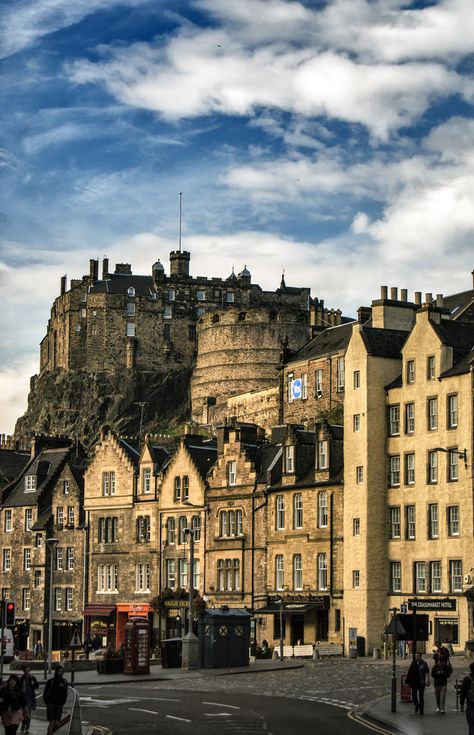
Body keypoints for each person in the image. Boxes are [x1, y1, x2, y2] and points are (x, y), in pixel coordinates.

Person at [43, 666, 68, 735]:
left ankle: (50, 733)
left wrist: (63, 702)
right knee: (52, 722)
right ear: (56, 672)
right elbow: (45, 693)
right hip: (51, 704)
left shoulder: (64, 681)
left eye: (62, 671)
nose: (61, 673)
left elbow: (65, 693)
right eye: (59, 671)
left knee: (57, 723)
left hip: (59, 704)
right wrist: (47, 702)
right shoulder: (51, 681)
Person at [19, 666, 39, 733]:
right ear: (24, 671)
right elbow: (19, 687)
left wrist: (34, 684)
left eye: (28, 670)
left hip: (30, 698)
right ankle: (23, 724)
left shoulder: (32, 678)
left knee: (28, 714)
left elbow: (36, 686)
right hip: (23, 698)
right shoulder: (21, 678)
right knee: (24, 714)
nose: (27, 672)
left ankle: (27, 727)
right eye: (26, 670)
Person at [460, 661, 474, 735]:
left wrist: (461, 704)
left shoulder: (467, 679)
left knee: (471, 725)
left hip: (471, 703)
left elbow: (463, 693)